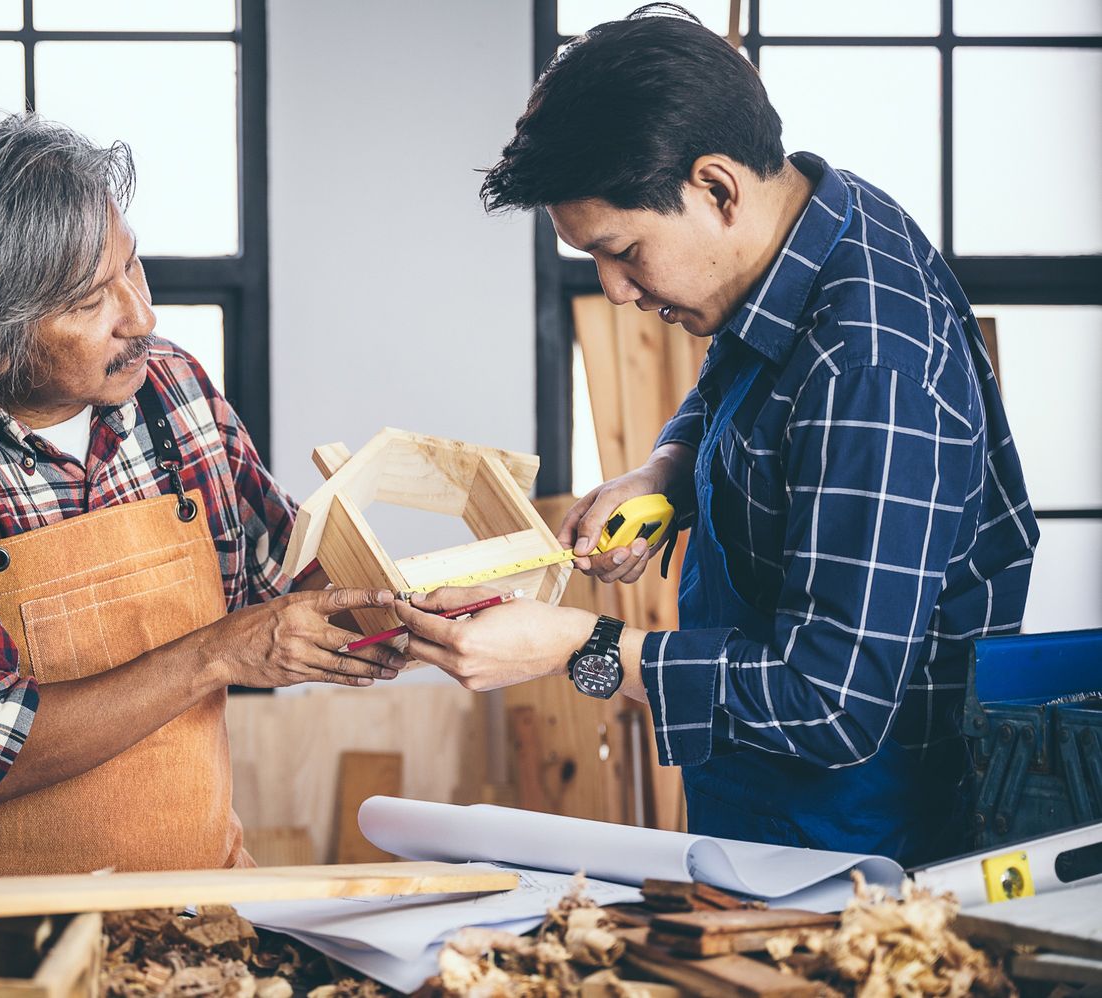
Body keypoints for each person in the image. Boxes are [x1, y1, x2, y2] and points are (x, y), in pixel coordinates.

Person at [392, 4, 1039, 864]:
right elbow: (745, 378)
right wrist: (669, 471)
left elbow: (833, 701)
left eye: (624, 250)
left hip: (865, 848)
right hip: (759, 811)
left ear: (717, 188)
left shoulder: (870, 364)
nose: (616, 291)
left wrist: (574, 648)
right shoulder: (808, 232)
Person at [0, 113, 406, 879]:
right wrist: (216, 655)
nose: (143, 317)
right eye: (92, 303)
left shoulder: (172, 390)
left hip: (197, 907)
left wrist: (405, 608)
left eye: (134, 268)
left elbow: (279, 575)